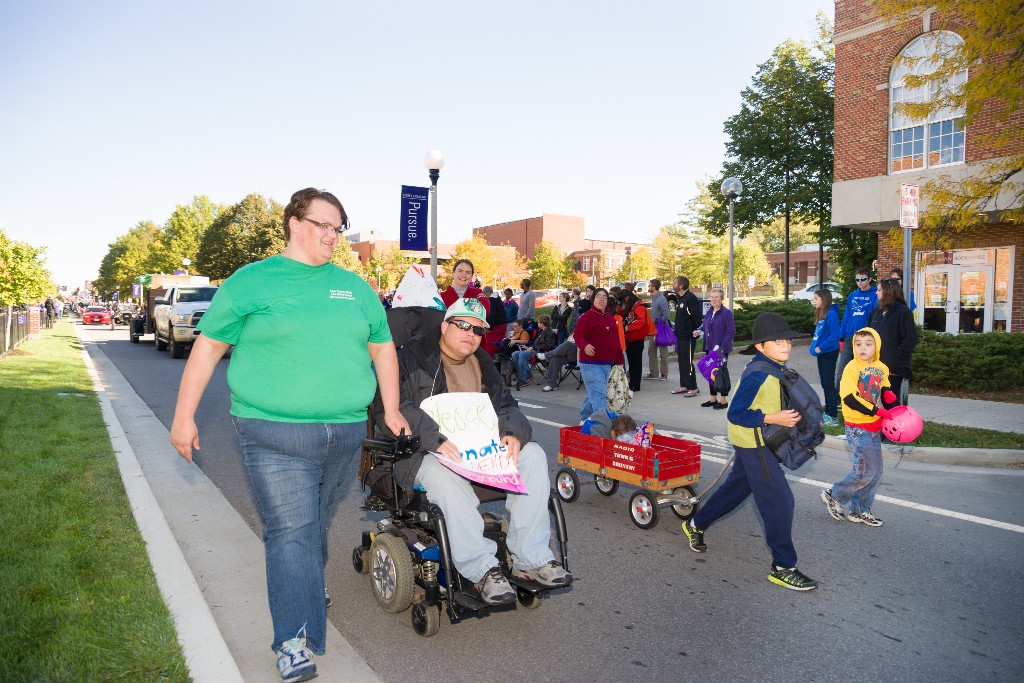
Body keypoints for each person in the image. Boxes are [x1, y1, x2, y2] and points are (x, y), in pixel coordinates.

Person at [168, 187, 410, 683]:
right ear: (295, 223)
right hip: (271, 432)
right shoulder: (251, 282)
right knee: (292, 532)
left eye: (338, 227)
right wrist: (183, 416)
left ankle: (302, 581)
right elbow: (208, 348)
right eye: (323, 225)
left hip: (343, 435)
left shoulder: (354, 287)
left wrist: (390, 408)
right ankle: (294, 640)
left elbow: (382, 347)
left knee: (315, 523)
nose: (332, 236)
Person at [374, 298, 571, 604]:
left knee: (532, 455)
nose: (471, 334)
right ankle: (481, 569)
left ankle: (531, 559)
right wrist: (433, 438)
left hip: (478, 453)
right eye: (463, 325)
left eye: (478, 330)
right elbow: (393, 407)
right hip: (422, 452)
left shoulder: (483, 363)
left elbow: (506, 405)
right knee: (443, 474)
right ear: (444, 326)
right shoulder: (409, 358)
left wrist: (512, 433)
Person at [680, 313, 818, 591]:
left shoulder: (774, 364)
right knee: (780, 501)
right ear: (760, 346)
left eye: (788, 340)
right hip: (752, 441)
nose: (786, 345)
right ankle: (782, 566)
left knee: (736, 490)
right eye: (777, 341)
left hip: (755, 439)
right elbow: (736, 413)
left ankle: (696, 523)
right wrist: (773, 418)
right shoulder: (759, 372)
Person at [821, 327, 901, 528]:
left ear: (877, 346)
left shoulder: (881, 367)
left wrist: (894, 405)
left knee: (876, 472)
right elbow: (849, 398)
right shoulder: (851, 368)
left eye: (868, 344)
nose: (862, 348)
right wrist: (877, 411)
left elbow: (884, 390)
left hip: (874, 426)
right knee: (865, 472)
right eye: (858, 344)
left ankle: (859, 510)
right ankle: (835, 494)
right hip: (857, 427)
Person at [572, 288, 625, 424]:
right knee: (599, 394)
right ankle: (606, 423)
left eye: (604, 297)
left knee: (594, 392)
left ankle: (585, 418)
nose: (602, 299)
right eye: (598, 296)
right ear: (593, 299)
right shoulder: (587, 317)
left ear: (608, 300)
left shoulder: (609, 318)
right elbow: (578, 335)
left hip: (606, 363)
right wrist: (585, 345)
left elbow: (615, 340)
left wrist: (619, 360)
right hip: (590, 363)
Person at [869, 278, 919, 406]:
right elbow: (869, 334)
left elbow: (910, 338)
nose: (876, 293)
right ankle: (879, 426)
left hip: (893, 368)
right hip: (875, 366)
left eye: (879, 290)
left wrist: (897, 357)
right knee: (874, 402)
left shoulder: (903, 312)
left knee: (891, 402)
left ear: (888, 292)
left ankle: (893, 426)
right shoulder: (877, 311)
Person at [835, 268, 877, 394]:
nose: (860, 282)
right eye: (857, 279)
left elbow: (875, 315)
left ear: (869, 279)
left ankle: (863, 398)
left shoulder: (875, 295)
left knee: (865, 370)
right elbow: (847, 315)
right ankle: (838, 398)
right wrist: (841, 335)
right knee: (843, 369)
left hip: (866, 337)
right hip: (850, 336)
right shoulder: (852, 296)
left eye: (863, 279)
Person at [697, 288, 735, 410]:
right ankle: (713, 399)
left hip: (721, 350)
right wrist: (700, 331)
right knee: (711, 373)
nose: (713, 299)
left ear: (721, 298)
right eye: (712, 297)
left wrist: (722, 346)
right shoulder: (710, 312)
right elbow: (706, 325)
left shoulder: (726, 313)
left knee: (721, 373)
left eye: (716, 297)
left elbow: (731, 331)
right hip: (709, 347)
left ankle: (723, 401)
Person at [810, 287, 842, 426]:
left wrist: (820, 347)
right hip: (822, 353)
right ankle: (828, 411)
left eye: (816, 298)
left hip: (828, 353)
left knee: (828, 384)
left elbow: (835, 335)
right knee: (824, 383)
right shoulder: (821, 314)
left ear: (824, 299)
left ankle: (833, 416)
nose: (814, 301)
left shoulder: (831, 314)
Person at [671, 276, 703, 397]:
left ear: (681, 285)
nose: (672, 285)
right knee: (682, 361)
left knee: (687, 361)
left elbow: (697, 318)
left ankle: (693, 388)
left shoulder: (690, 298)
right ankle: (684, 385)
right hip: (680, 336)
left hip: (688, 337)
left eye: (675, 283)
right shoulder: (681, 298)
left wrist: (695, 331)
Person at [512, 314, 557, 388]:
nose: (537, 323)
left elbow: (547, 346)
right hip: (534, 349)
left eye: (538, 322)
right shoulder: (540, 331)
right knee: (515, 354)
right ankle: (527, 375)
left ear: (543, 323)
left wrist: (533, 348)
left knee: (522, 354)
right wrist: (529, 347)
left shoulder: (550, 333)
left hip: (541, 352)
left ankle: (522, 380)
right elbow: (535, 343)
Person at [619, 290, 651, 392]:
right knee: (631, 361)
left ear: (627, 298)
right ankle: (632, 382)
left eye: (623, 301)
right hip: (630, 337)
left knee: (636, 362)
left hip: (636, 337)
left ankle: (635, 384)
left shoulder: (639, 306)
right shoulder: (633, 306)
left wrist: (629, 328)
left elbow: (640, 321)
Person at [644, 278, 670, 381]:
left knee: (663, 352)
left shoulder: (662, 299)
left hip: (660, 329)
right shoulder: (654, 297)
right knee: (651, 350)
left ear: (654, 287)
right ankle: (654, 373)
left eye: (649, 285)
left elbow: (666, 316)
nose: (648, 287)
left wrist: (657, 322)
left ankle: (664, 374)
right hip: (653, 329)